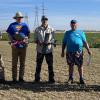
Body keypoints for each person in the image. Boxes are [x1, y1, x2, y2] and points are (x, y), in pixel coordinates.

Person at [61, 20, 92, 84]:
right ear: (70, 25)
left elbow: (85, 42)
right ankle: (70, 78)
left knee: (80, 65)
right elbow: (64, 43)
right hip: (69, 52)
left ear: (77, 25)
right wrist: (62, 51)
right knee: (70, 65)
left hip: (78, 52)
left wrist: (88, 50)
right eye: (72, 24)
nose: (73, 25)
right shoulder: (67, 33)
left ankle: (81, 78)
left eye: (74, 24)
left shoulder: (81, 32)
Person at [6, 12, 30, 83]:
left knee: (22, 63)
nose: (20, 18)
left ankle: (21, 78)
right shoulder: (12, 25)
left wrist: (26, 40)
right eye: (18, 17)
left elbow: (28, 35)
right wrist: (11, 42)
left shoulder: (25, 25)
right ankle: (14, 79)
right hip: (15, 47)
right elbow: (9, 35)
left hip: (23, 47)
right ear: (16, 18)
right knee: (14, 63)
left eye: (21, 17)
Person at [34, 16, 55, 83]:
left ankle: (51, 79)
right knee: (38, 65)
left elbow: (53, 39)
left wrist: (50, 42)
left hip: (49, 50)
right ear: (41, 20)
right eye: (43, 19)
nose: (44, 21)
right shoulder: (37, 29)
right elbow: (35, 40)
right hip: (40, 50)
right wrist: (38, 42)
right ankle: (37, 79)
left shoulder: (51, 29)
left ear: (47, 20)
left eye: (46, 19)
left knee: (50, 65)